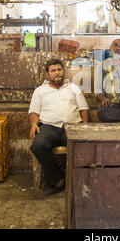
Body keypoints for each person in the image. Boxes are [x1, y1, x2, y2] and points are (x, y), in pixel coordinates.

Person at [29, 59, 89, 195]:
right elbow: (34, 111)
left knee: (82, 145)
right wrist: (33, 124)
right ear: (47, 75)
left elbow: (84, 108)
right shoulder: (40, 91)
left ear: (63, 71)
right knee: (37, 146)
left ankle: (79, 179)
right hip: (48, 126)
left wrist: (85, 126)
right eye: (53, 71)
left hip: (72, 126)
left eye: (59, 70)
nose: (57, 73)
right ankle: (58, 179)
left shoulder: (74, 88)